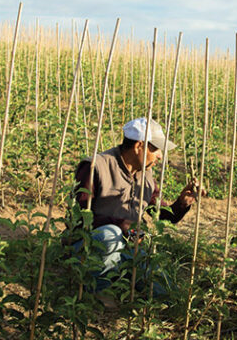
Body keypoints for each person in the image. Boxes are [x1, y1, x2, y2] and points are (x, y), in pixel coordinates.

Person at [73, 117, 199, 293]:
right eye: (155, 149)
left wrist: (182, 203)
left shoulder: (145, 174)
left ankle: (120, 277)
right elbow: (78, 218)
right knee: (111, 234)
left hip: (129, 247)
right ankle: (97, 293)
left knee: (164, 290)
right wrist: (123, 225)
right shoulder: (96, 166)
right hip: (89, 247)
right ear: (139, 146)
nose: (160, 155)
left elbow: (163, 215)